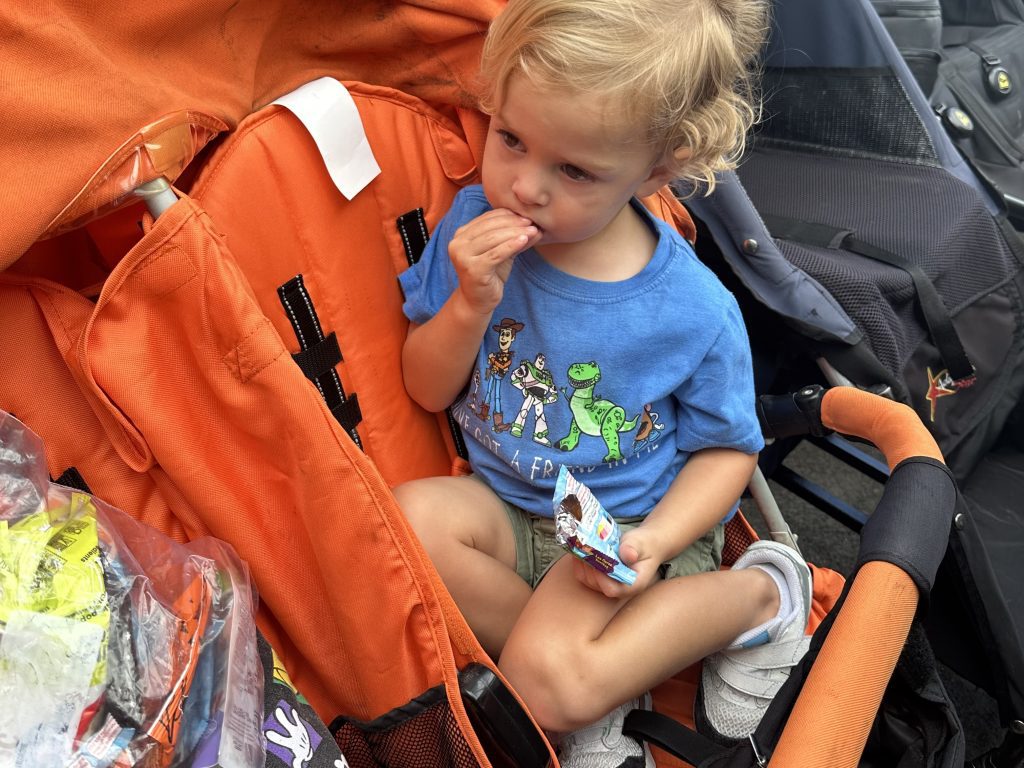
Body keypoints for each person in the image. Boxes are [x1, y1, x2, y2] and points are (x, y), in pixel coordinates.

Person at [393, 0, 811, 764]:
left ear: (657, 170)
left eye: (574, 170)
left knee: (542, 691)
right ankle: (604, 669)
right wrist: (468, 306)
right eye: (510, 138)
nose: (524, 186)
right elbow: (426, 389)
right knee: (402, 525)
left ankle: (765, 597)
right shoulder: (472, 229)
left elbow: (728, 452)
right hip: (511, 505)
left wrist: (653, 543)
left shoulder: (691, 309)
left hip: (628, 529)